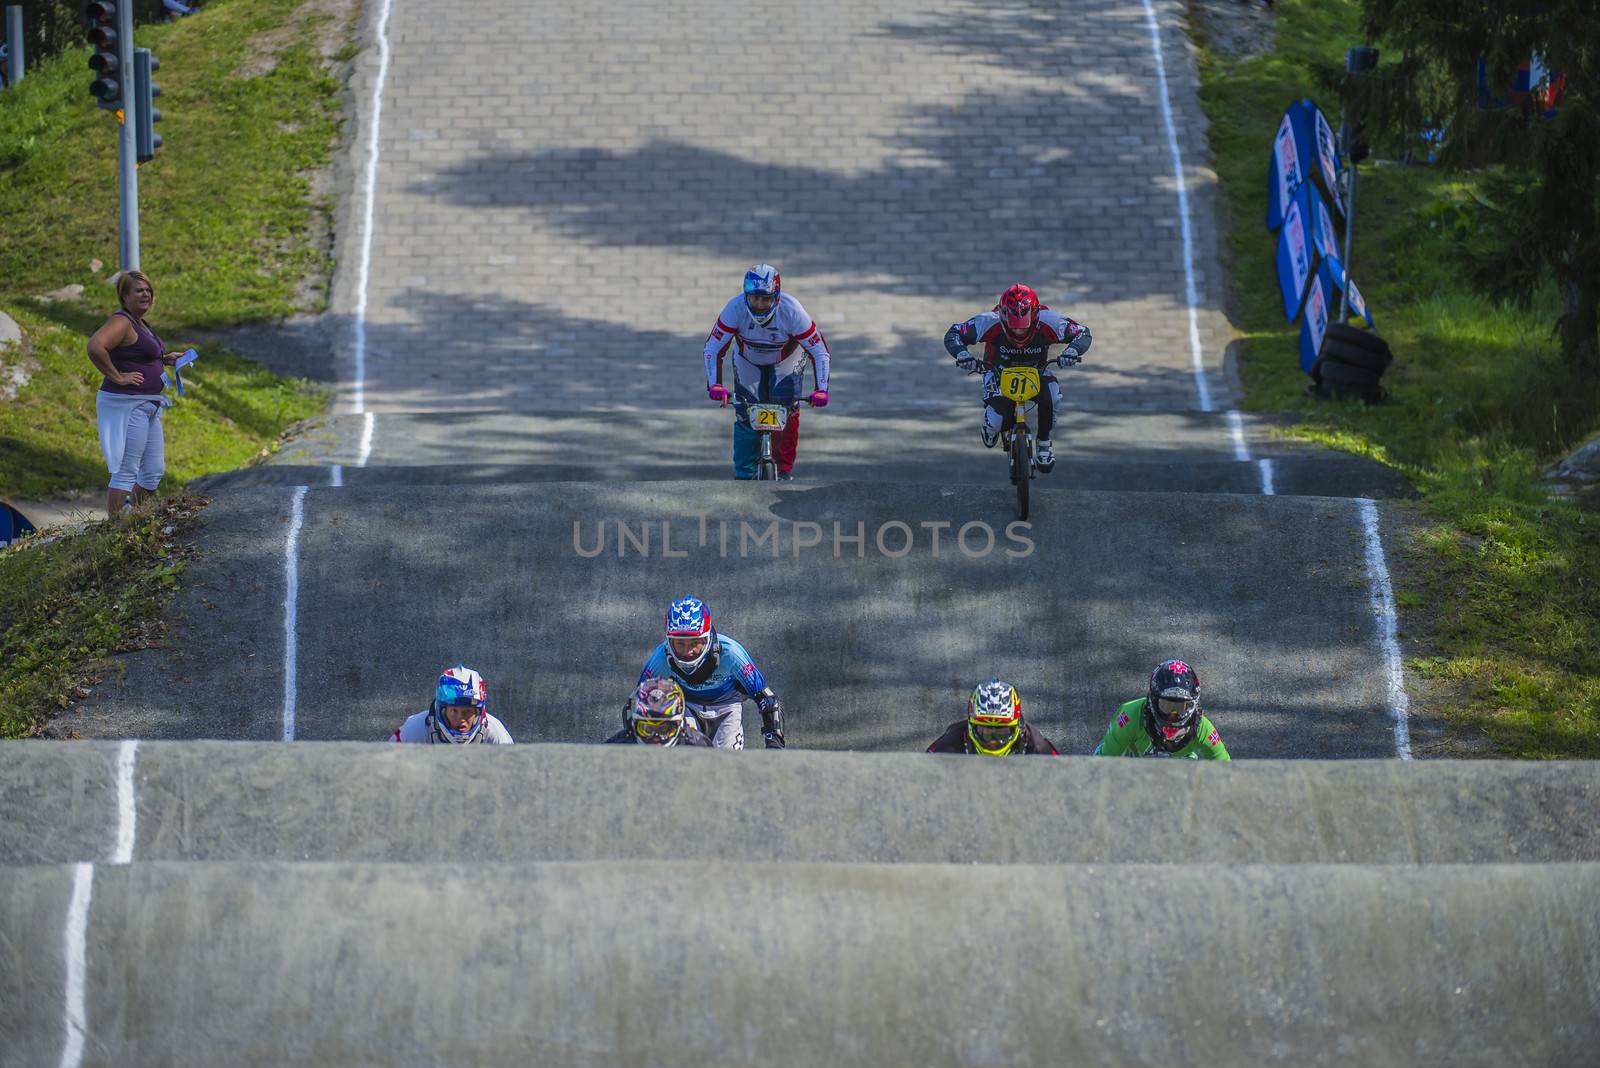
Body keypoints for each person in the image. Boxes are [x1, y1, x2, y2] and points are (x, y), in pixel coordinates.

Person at [703, 263, 832, 480]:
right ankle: (744, 474)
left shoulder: (792, 311)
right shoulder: (734, 309)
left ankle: (783, 471)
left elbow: (819, 351)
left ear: (777, 297)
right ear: (746, 295)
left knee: (786, 408)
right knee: (746, 411)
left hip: (786, 359)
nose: (760, 305)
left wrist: (822, 389)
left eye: (766, 299)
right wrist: (714, 385)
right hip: (748, 360)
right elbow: (712, 348)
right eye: (754, 298)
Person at [943, 283, 1092, 472]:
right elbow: (954, 333)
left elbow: (1083, 332)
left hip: (1037, 370)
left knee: (1052, 396)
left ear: (1035, 315)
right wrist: (962, 355)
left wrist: (1072, 351)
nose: (1019, 332)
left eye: (1024, 327)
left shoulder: (1050, 320)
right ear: (1003, 316)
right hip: (997, 371)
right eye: (1013, 327)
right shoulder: (988, 321)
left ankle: (1045, 441)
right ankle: (990, 426)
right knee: (998, 421)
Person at [87, 271, 191, 518]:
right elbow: (95, 347)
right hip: (127, 404)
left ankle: (132, 516)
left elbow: (137, 354)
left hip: (149, 404)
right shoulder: (122, 321)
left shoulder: (140, 323)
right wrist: (118, 376)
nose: (146, 294)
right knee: (126, 470)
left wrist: (164, 359)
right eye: (139, 290)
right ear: (124, 296)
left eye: (148, 290)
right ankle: (115, 527)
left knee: (153, 472)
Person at [638, 595, 786, 749]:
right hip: (685, 707)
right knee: (686, 759)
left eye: (695, 643)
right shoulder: (660, 658)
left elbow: (765, 698)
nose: (688, 652)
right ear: (669, 641)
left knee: (726, 764)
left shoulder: (731, 653)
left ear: (707, 638)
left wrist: (774, 744)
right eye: (680, 643)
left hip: (728, 709)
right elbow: (639, 702)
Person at [1092, 659, 1230, 759]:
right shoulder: (1129, 716)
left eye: (1181, 708)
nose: (1173, 715)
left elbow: (1227, 772)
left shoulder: (1203, 728)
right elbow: (1102, 763)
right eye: (1167, 706)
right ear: (1152, 700)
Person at [926, 679, 1059, 756]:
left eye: (1002, 733)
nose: (993, 742)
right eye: (986, 732)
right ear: (971, 726)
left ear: (1017, 727)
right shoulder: (946, 747)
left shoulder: (1040, 749)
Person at [392, 665, 515, 744]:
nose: (460, 719)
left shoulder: (497, 735)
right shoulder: (412, 730)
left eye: (467, 712)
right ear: (442, 710)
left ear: (479, 712)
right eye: (454, 711)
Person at [605, 675, 713, 746]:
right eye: (647, 728)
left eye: (664, 729)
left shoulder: (700, 745)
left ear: (680, 723)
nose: (656, 739)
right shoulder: (700, 746)